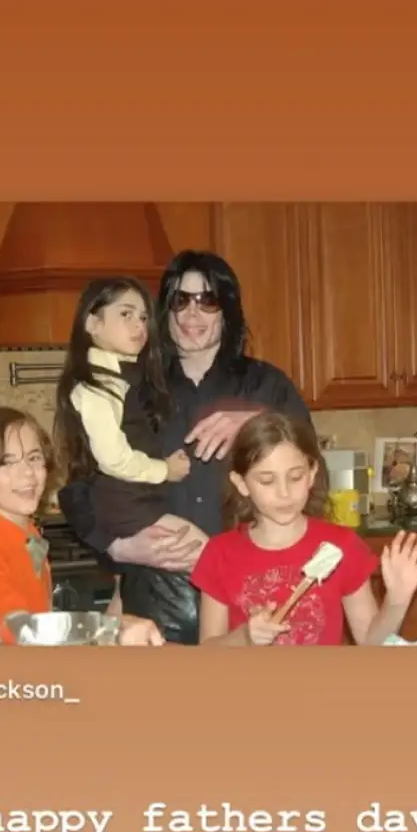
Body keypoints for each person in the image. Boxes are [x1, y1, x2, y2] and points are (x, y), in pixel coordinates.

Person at [59, 251, 312, 643]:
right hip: (156, 600)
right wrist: (118, 546)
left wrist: (256, 421)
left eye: (207, 300)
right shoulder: (129, 386)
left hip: (251, 598)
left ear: (226, 310)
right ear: (165, 311)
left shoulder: (267, 385)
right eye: (181, 300)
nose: (192, 313)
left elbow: (311, 464)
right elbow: (79, 485)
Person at [191, 411, 417, 646]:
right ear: (241, 483)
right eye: (267, 480)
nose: (284, 493)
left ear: (311, 474)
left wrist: (396, 602)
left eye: (295, 477)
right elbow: (208, 653)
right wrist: (245, 637)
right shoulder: (219, 553)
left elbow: (372, 644)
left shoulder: (343, 545)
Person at [0, 406, 165, 646]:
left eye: (34, 458)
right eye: (6, 463)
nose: (27, 473)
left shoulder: (24, 533)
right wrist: (110, 631)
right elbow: (19, 632)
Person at [53, 277, 205, 562]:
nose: (139, 325)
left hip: (136, 502)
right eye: (126, 314)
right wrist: (165, 470)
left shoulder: (126, 377)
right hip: (127, 505)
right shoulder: (98, 385)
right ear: (93, 324)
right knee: (211, 560)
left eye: (144, 317)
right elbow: (112, 458)